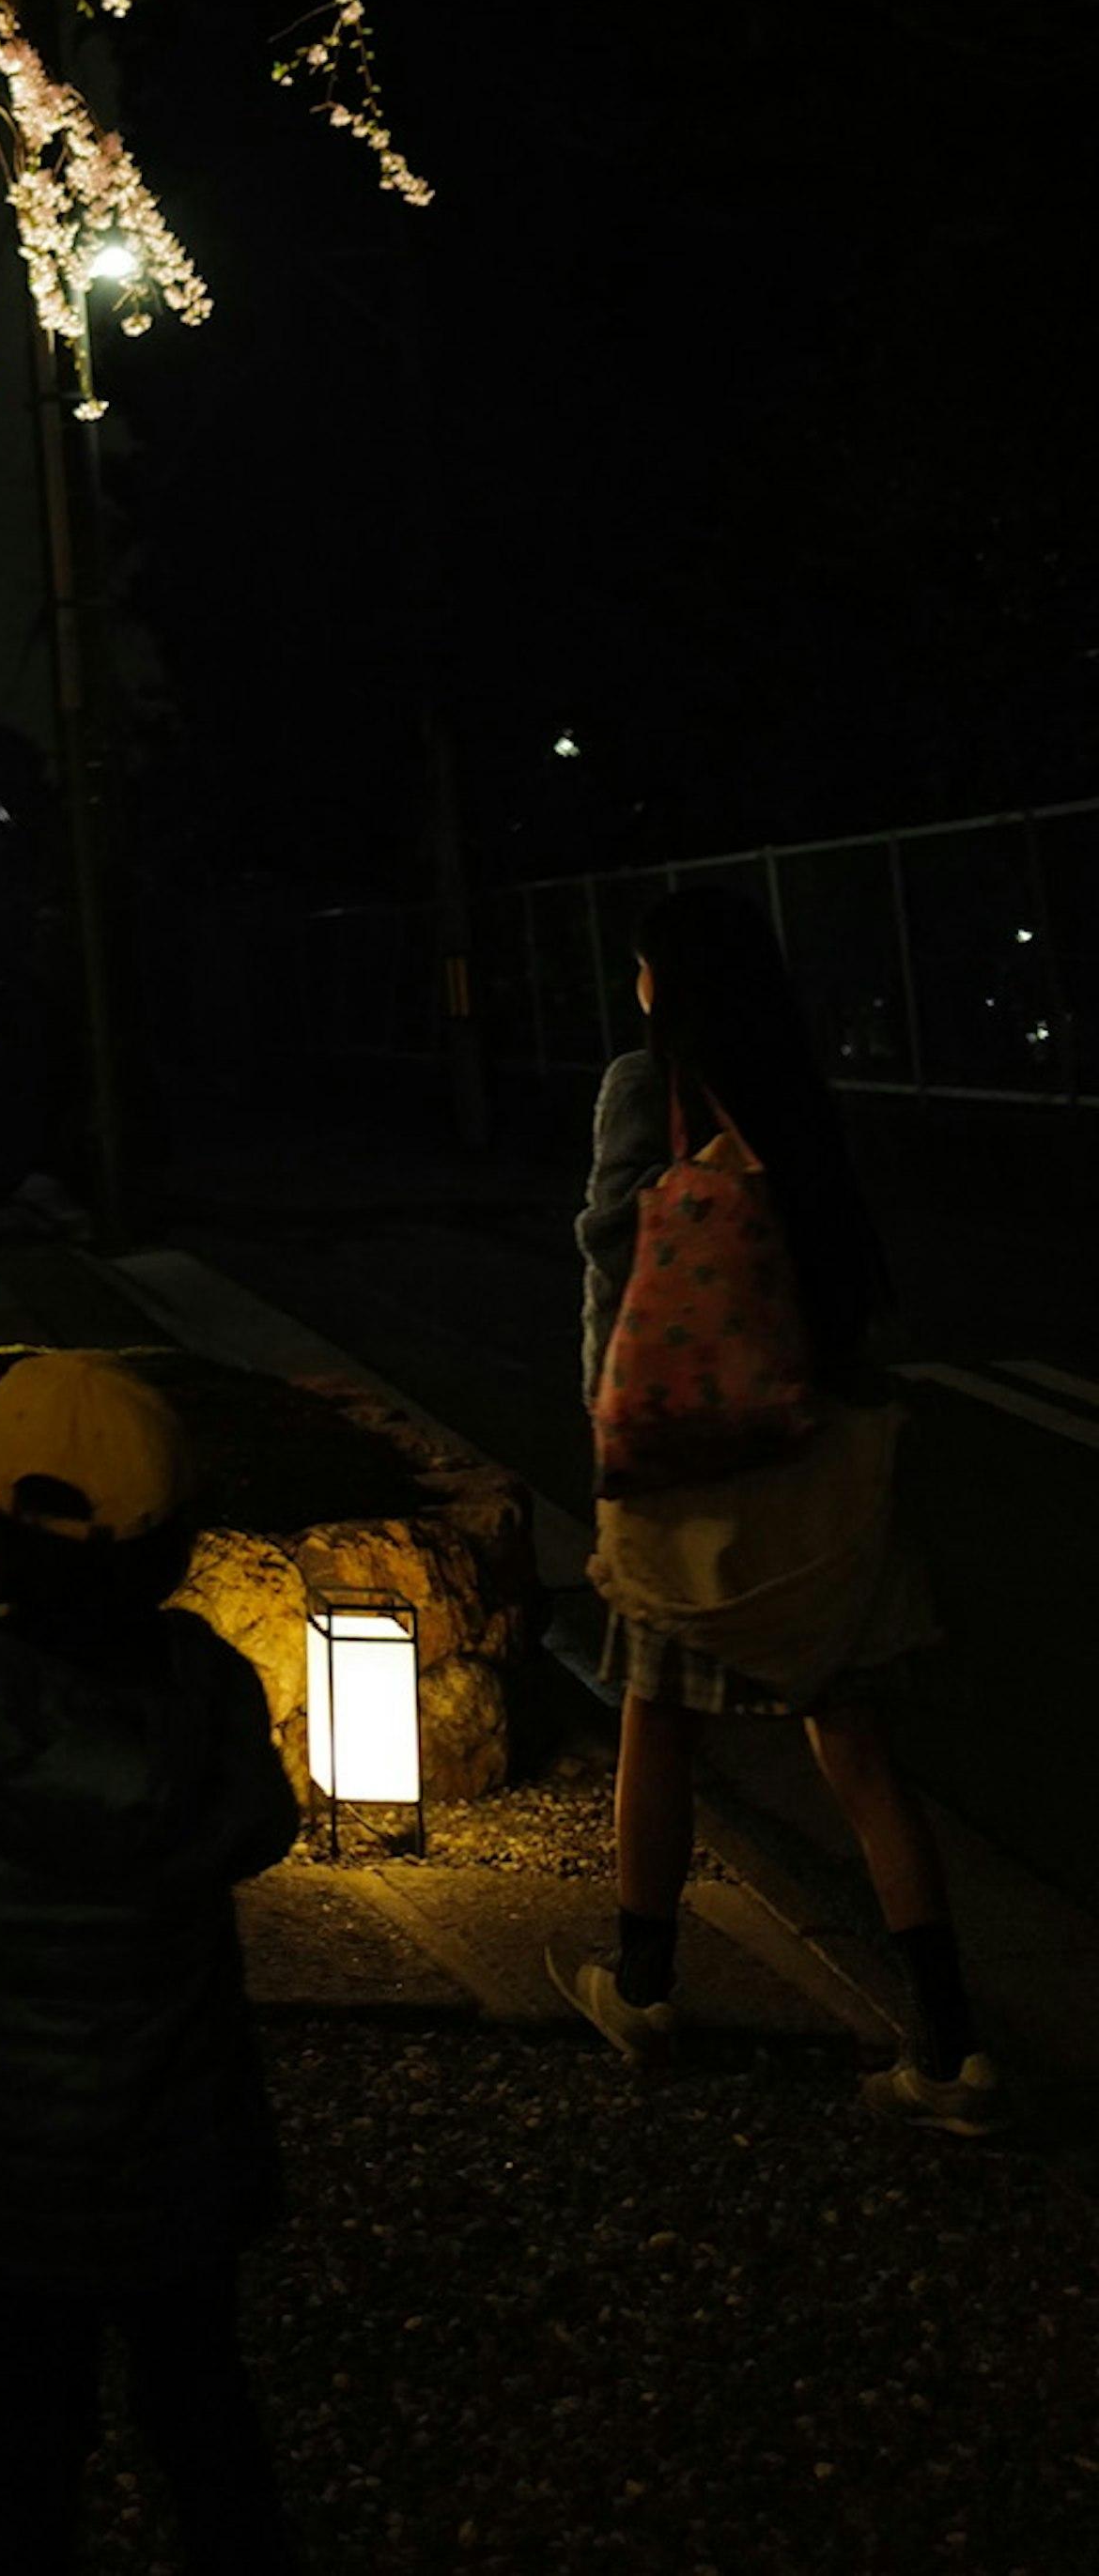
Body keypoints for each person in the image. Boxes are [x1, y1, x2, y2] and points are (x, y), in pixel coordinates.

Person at [0, 1351, 300, 2575]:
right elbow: (265, 1824)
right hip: (177, 2151)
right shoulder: (207, 1684)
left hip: (5, 2158)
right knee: (202, 2410)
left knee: (21, 2434)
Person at [561, 881, 994, 2131]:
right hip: (811, 1469)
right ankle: (956, 2050)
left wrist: (603, 1435)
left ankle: (642, 1986)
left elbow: (614, 1257)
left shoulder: (648, 1082)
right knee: (856, 1747)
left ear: (666, 979)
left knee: (657, 1719)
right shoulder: (800, 1092)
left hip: (688, 1465)